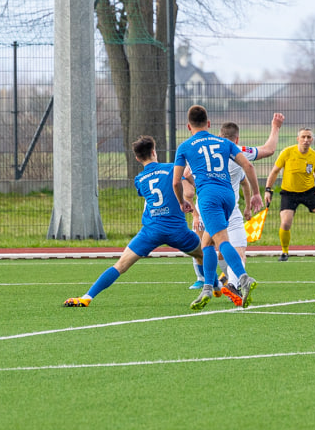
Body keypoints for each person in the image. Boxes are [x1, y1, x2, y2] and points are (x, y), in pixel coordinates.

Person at [63, 136, 206, 307]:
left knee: (120, 265)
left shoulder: (139, 180)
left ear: (137, 158)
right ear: (154, 152)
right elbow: (186, 184)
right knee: (204, 255)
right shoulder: (171, 169)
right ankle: (220, 285)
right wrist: (188, 184)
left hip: (151, 231)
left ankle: (87, 297)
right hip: (177, 230)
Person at [172, 105, 263, 310]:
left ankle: (243, 278)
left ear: (188, 126)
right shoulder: (223, 142)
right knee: (206, 244)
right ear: (209, 124)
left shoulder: (185, 146)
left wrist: (181, 201)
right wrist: (256, 193)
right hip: (228, 197)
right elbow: (248, 166)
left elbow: (176, 181)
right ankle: (207, 287)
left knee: (221, 241)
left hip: (208, 197)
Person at [187, 113, 285, 297]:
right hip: (227, 206)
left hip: (205, 205)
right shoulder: (235, 149)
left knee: (208, 244)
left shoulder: (199, 149)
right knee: (236, 248)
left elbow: (185, 175)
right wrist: (276, 126)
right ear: (237, 138)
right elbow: (268, 149)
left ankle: (214, 283)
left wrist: (196, 195)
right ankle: (233, 281)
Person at [263, 127, 315, 261]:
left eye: (308, 137)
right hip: (289, 193)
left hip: (309, 192)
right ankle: (284, 252)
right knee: (285, 223)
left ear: (312, 140)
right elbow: (274, 172)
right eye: (303, 137)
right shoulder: (287, 152)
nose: (306, 140)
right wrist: (268, 190)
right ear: (298, 139)